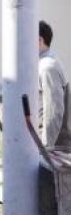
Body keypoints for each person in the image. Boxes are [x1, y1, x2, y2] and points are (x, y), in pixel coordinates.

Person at [38, 20, 71, 148]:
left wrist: (45, 148)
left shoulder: (47, 67)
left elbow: (53, 111)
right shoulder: (45, 63)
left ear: (39, 40)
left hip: (55, 148)